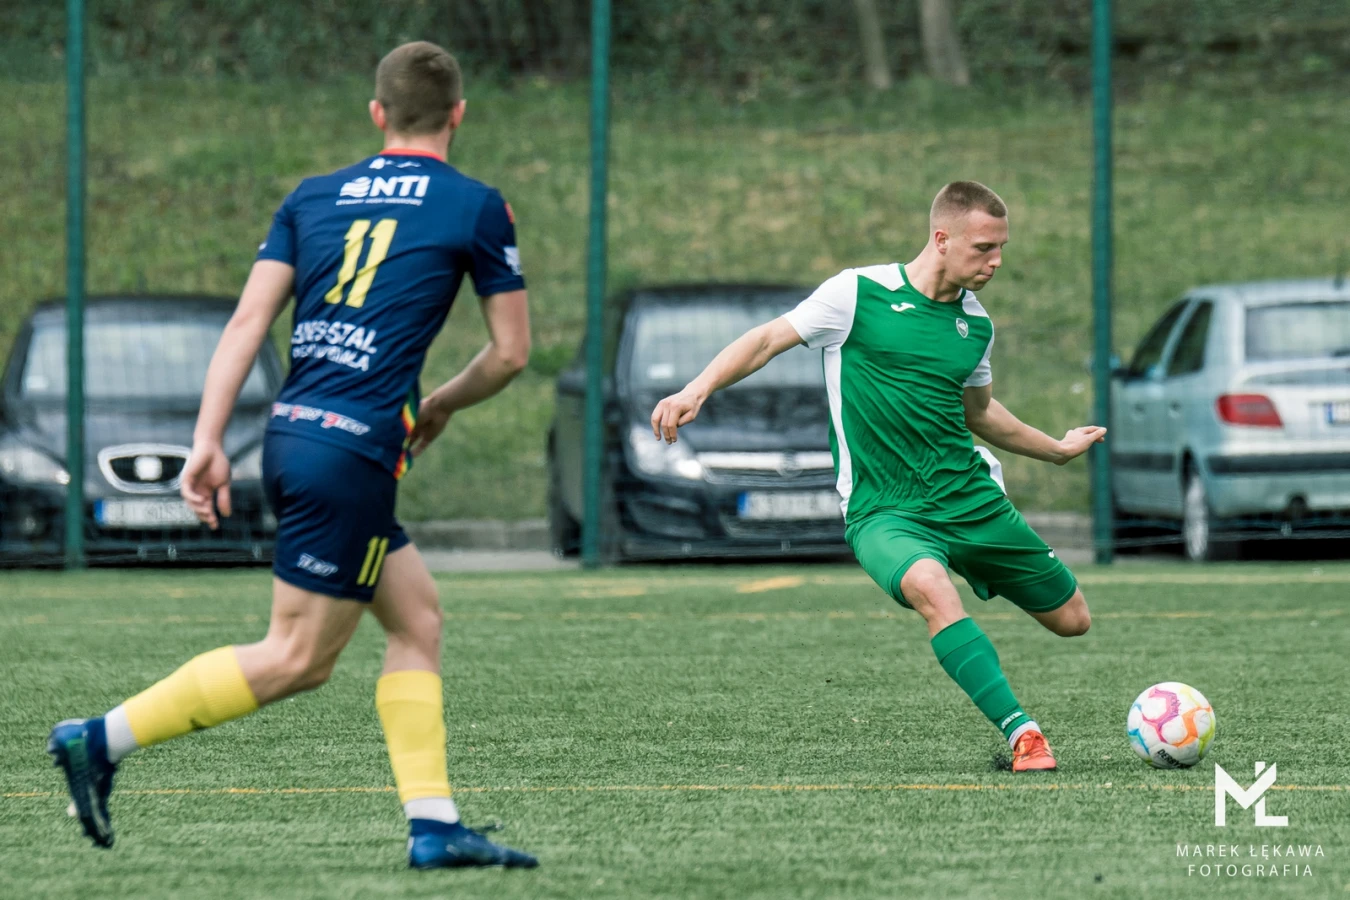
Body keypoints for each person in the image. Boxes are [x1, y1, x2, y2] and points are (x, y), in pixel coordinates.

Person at [47, 41, 539, 869]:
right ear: (458, 114)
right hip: (353, 450)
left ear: (377, 114)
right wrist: (442, 404)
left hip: (293, 433)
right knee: (297, 658)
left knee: (417, 619)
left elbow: (248, 324)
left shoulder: (311, 197)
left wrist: (208, 441)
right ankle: (98, 740)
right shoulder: (476, 205)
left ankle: (434, 825)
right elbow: (512, 353)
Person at [650, 181, 1105, 772]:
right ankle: (1024, 735)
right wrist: (696, 389)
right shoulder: (857, 294)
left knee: (1073, 620)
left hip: (969, 499)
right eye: (983, 247)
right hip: (884, 509)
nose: (996, 261)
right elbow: (766, 340)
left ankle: (973, 562)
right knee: (932, 590)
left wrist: (1056, 450)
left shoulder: (974, 325)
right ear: (941, 239)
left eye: (1001, 248)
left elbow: (980, 413)